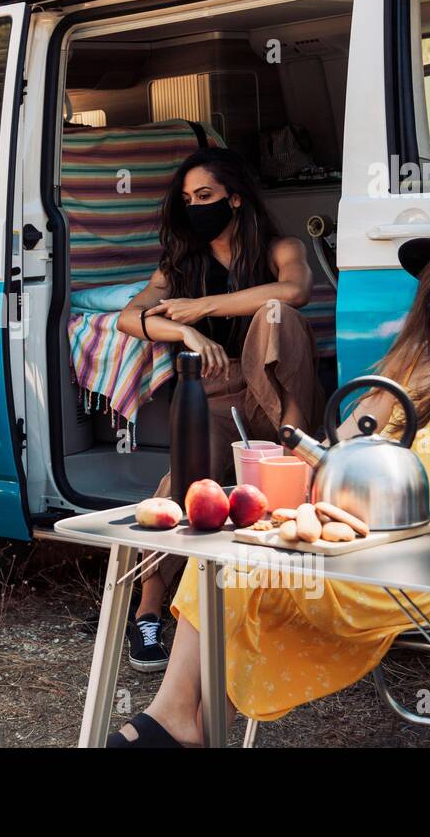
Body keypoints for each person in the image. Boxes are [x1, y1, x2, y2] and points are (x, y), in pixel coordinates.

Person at [108, 208, 430, 746]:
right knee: (231, 559)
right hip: (358, 544)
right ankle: (183, 720)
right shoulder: (407, 362)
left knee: (249, 575)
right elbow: (335, 448)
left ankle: (177, 725)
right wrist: (270, 477)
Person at [115, 147, 325, 672]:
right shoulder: (181, 263)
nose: (195, 207)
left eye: (205, 196)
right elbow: (129, 317)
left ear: (235, 198)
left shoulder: (283, 248)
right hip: (216, 390)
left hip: (278, 388)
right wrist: (183, 329)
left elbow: (295, 290)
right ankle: (146, 611)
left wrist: (203, 307)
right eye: (187, 200)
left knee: (276, 314)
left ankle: (289, 449)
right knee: (183, 488)